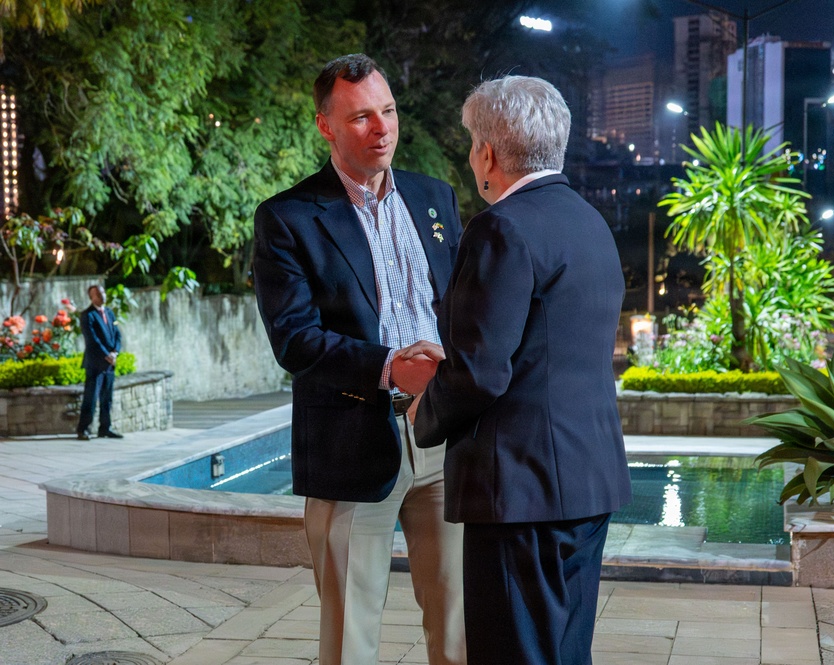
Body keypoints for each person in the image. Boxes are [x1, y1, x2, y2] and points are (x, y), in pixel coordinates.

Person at [410, 75, 632, 665]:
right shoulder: (590, 222)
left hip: (520, 492)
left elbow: (481, 373)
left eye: (471, 145)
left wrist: (424, 409)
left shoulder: (501, 227)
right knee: (565, 653)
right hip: (586, 480)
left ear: (488, 154)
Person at [252, 53, 465, 665]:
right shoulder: (288, 217)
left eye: (389, 111)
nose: (382, 129)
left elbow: (459, 305)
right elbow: (294, 339)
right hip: (350, 441)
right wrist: (390, 366)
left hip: (443, 436)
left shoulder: (434, 197)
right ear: (325, 125)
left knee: (459, 628)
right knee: (350, 639)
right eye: (361, 117)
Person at [76, 284, 123, 441]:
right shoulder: (87, 315)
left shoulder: (109, 313)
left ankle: (105, 428)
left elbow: (117, 334)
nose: (102, 296)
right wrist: (106, 355)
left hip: (109, 363)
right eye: (98, 294)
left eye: (103, 293)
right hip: (95, 363)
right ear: (92, 297)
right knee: (91, 398)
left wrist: (115, 352)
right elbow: (92, 339)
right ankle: (84, 429)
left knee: (106, 398)